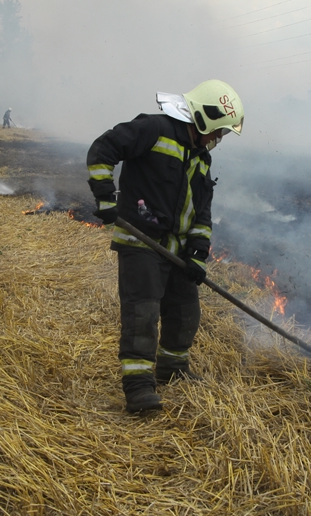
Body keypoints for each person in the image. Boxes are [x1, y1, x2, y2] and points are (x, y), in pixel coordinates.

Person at [86, 79, 244, 413]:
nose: (217, 139)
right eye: (218, 131)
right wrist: (105, 196)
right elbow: (103, 149)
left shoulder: (202, 158)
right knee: (142, 314)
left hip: (177, 251)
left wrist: (198, 253)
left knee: (186, 312)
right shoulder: (153, 129)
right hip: (140, 242)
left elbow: (202, 211)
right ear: (204, 118)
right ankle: (139, 387)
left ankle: (173, 368)